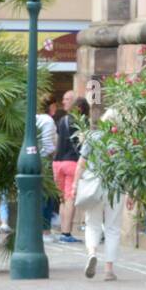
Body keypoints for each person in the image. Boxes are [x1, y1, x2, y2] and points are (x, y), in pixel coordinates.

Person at [74, 107, 124, 281]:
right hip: (116, 188)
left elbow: (81, 164)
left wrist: (74, 186)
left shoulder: (93, 137)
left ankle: (92, 253)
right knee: (113, 228)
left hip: (93, 187)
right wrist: (132, 193)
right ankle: (109, 269)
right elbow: (129, 170)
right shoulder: (122, 140)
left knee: (92, 224)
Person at [53, 92, 86, 243]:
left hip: (57, 163)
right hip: (71, 162)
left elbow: (57, 139)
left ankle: (62, 231)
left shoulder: (62, 120)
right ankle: (66, 233)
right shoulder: (80, 122)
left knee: (62, 199)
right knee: (70, 198)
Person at [37, 93, 59, 235]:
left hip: (34, 158)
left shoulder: (35, 118)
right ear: (51, 106)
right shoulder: (48, 121)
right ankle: (45, 230)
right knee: (48, 196)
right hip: (45, 160)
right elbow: (49, 146)